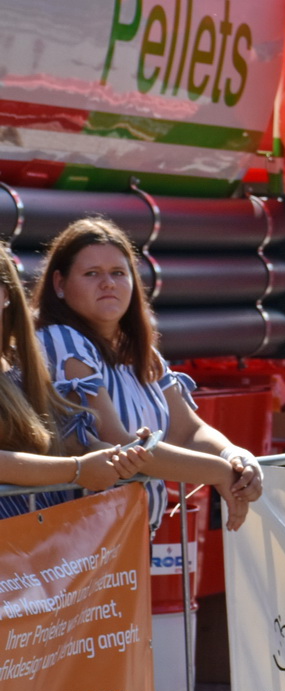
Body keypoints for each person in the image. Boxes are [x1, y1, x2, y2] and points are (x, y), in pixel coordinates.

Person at [0, 241, 156, 691]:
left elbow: (80, 439)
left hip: (42, 592)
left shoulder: (21, 366)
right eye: (92, 272)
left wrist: (111, 451)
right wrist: (75, 471)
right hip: (18, 590)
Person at [34, 217, 263, 534]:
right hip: (72, 544)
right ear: (59, 284)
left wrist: (235, 456)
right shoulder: (61, 338)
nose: (108, 283)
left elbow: (188, 430)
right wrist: (221, 472)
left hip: (127, 543)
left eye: (118, 273)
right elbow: (117, 441)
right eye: (91, 274)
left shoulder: (142, 351)